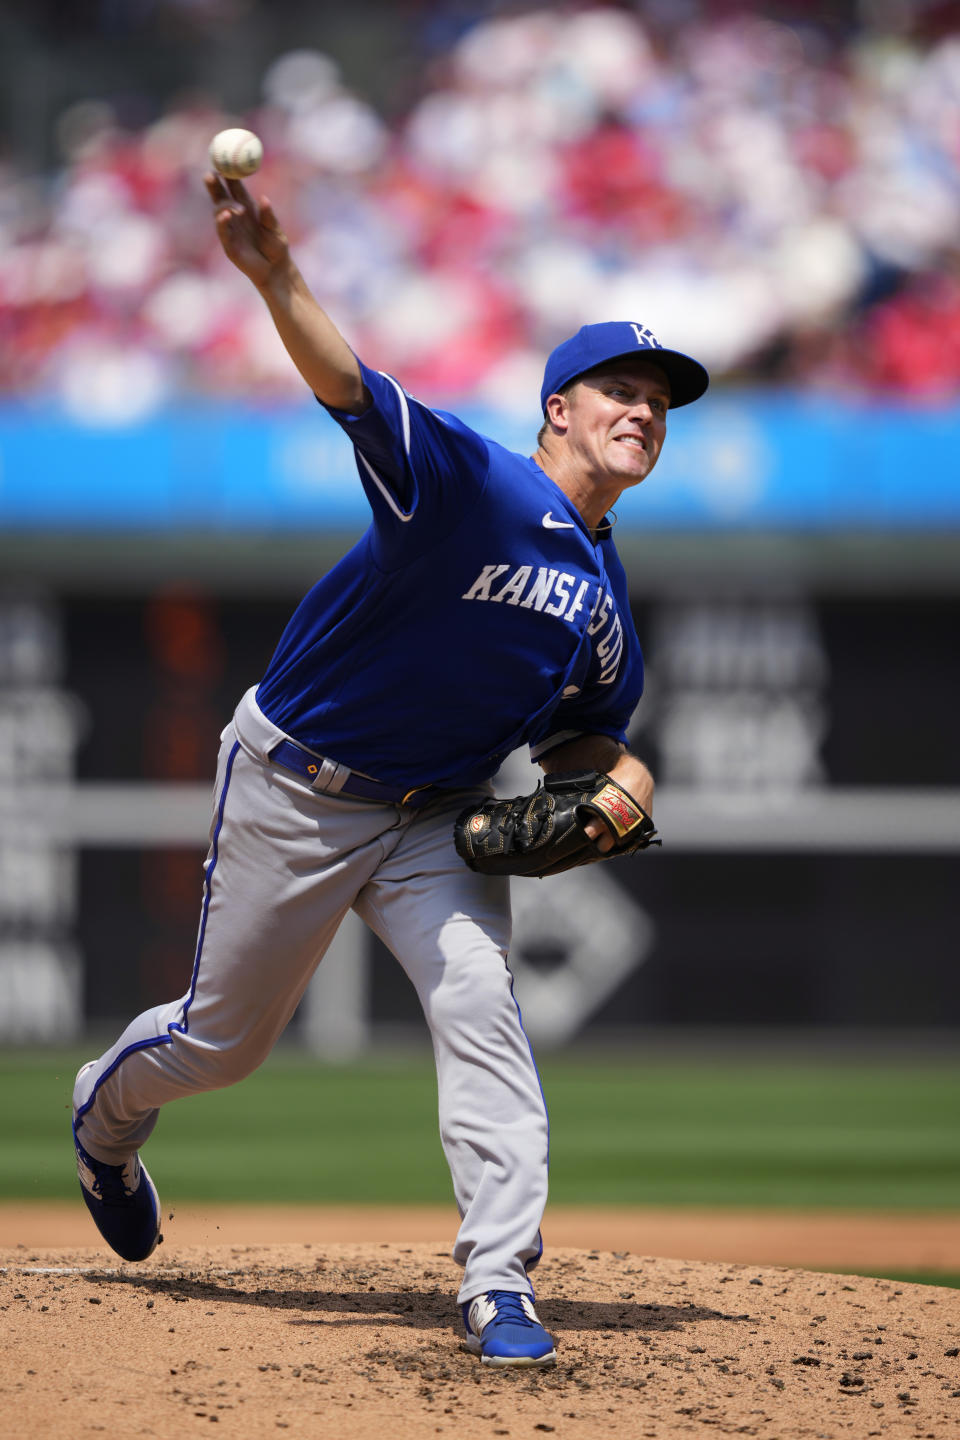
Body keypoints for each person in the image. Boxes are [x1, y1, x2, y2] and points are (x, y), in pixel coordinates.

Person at [71, 171, 709, 1368]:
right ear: (556, 410)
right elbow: (350, 391)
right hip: (298, 787)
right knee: (224, 1043)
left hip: (437, 821)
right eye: (621, 391)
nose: (644, 411)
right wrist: (275, 275)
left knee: (482, 1010)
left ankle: (499, 1281)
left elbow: (584, 730)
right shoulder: (470, 486)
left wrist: (617, 778)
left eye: (661, 402)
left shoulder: (608, 602)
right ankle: (103, 1126)